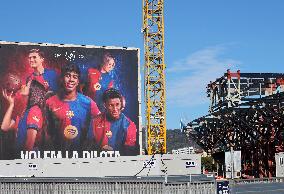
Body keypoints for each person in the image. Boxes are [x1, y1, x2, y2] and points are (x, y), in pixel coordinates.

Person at [45, 63, 100, 153]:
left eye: (75, 77)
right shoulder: (50, 102)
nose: (71, 79)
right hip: (57, 156)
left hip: (81, 158)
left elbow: (101, 126)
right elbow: (46, 132)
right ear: (62, 79)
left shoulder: (88, 103)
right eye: (67, 76)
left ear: (78, 81)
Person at [1, 80, 47, 155]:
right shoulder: (25, 111)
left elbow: (29, 147)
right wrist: (11, 104)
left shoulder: (34, 110)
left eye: (26, 85)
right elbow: (4, 127)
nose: (22, 86)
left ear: (33, 91)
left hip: (28, 160)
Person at [88, 88, 137, 155]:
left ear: (121, 104)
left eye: (117, 104)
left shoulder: (129, 125)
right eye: (111, 105)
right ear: (105, 105)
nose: (115, 109)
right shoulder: (94, 122)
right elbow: (88, 146)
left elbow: (129, 153)